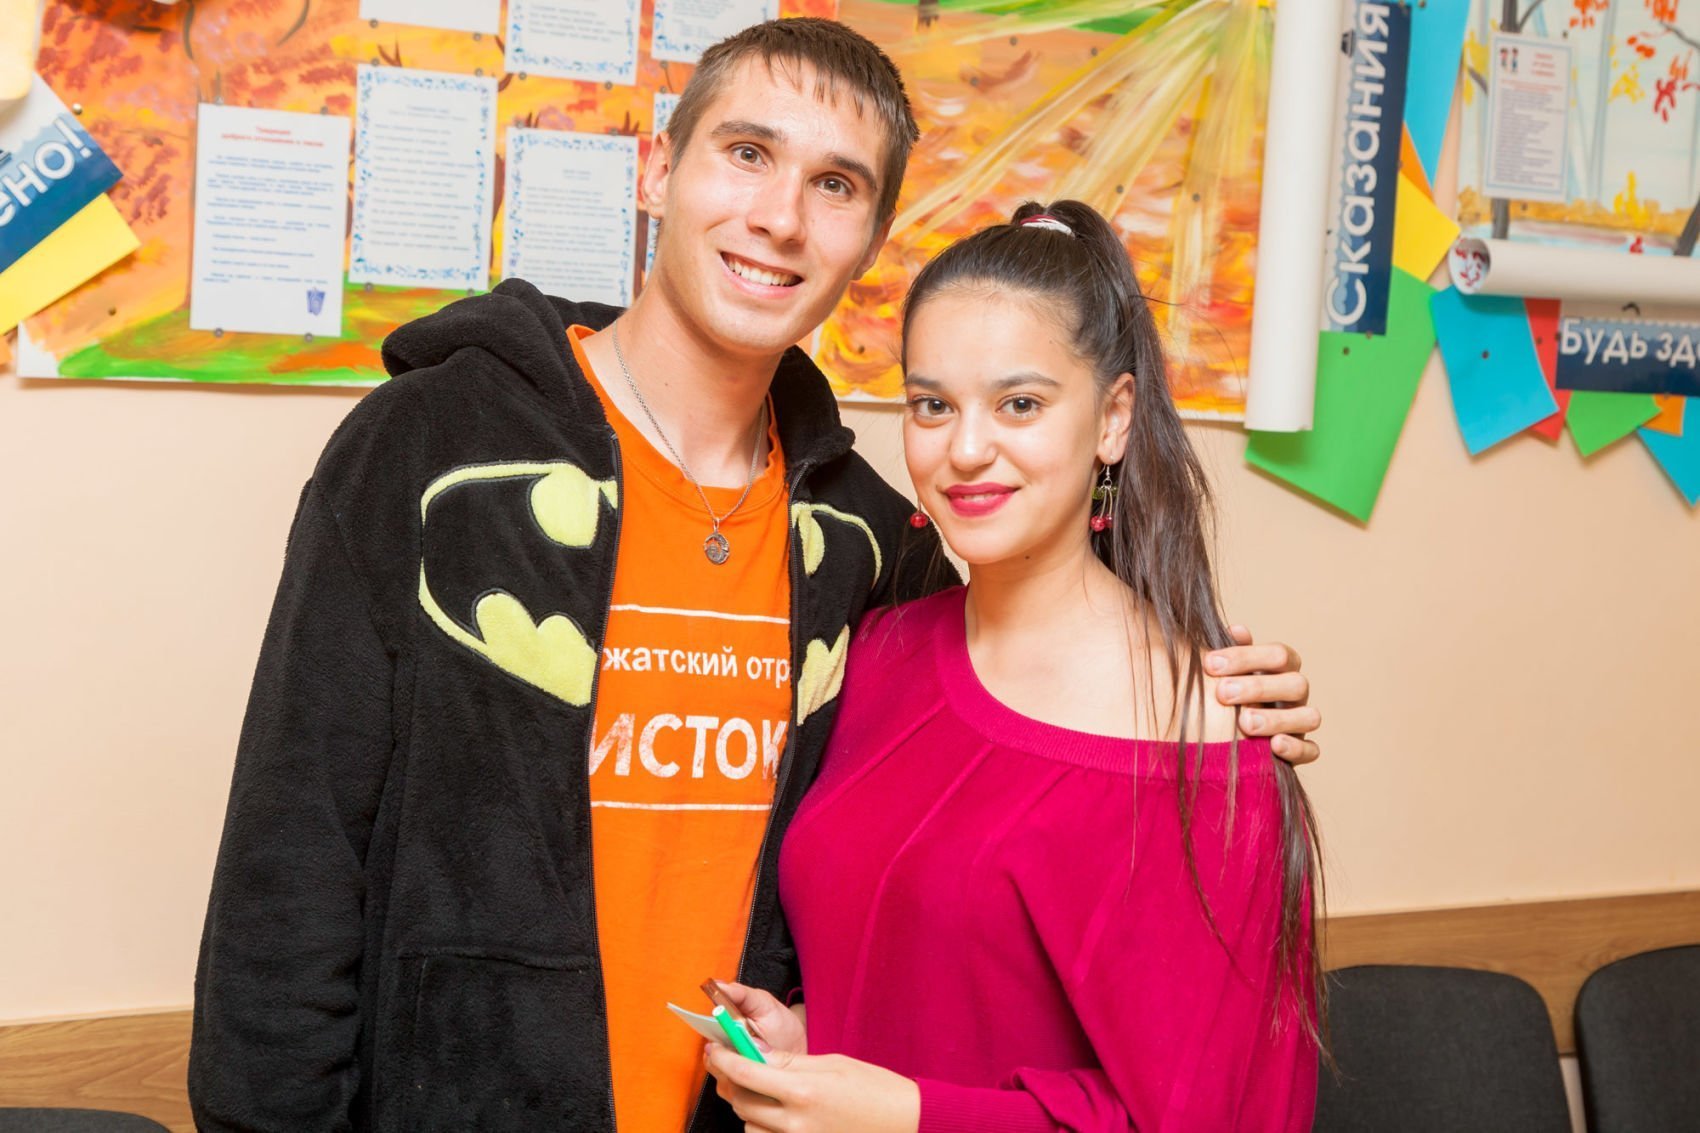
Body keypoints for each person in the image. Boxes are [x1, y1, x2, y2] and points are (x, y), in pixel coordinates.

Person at [189, 21, 1321, 1133]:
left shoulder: (871, 542)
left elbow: (1022, 707)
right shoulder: (433, 450)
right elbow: (291, 860)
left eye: (834, 185)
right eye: (747, 152)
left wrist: (1217, 688)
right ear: (658, 169)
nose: (780, 216)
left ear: (869, 241)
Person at [703, 201, 1323, 1131]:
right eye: (932, 404)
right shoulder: (878, 652)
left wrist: (904, 1115)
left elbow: (1204, 1117)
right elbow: (923, 978)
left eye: (1020, 404)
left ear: (1114, 417)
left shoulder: (1205, 742)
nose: (964, 449)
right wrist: (808, 1041)